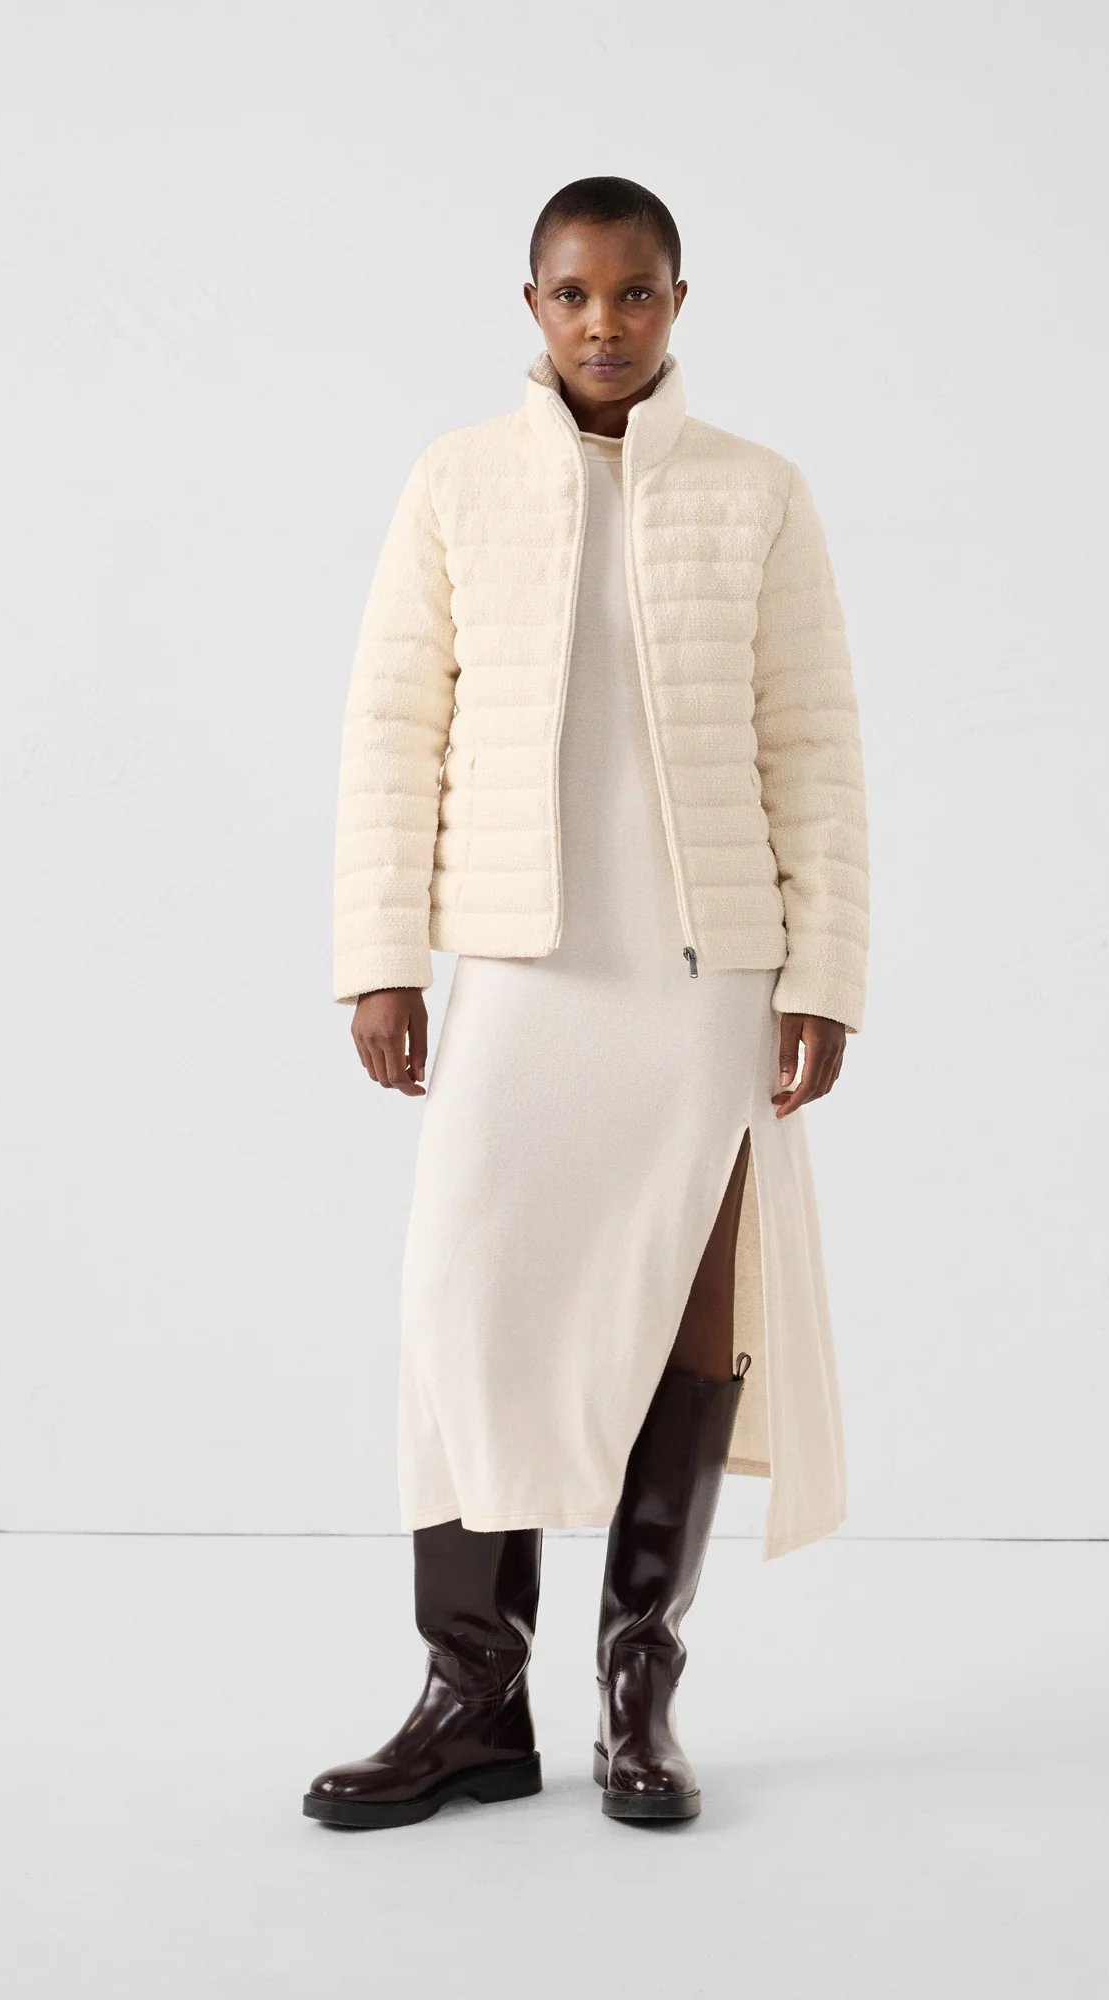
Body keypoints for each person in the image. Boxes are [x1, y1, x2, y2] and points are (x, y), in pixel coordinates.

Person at [304, 176, 869, 1830]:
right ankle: (472, 1698)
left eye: (634, 293)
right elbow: (392, 727)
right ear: (532, 304)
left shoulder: (759, 493)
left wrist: (826, 974)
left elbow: (814, 746)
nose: (603, 322)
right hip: (521, 967)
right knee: (462, 1309)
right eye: (573, 293)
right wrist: (382, 956)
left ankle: (638, 1690)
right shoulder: (457, 481)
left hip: (705, 978)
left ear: (680, 301)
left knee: (685, 1312)